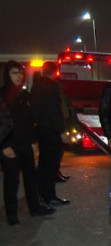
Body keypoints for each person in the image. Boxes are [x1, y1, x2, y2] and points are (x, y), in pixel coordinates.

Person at [0, 61, 55, 225]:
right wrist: (4, 146)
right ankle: (12, 214)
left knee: (31, 177)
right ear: (7, 75)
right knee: (11, 181)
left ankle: (35, 207)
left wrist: (33, 141)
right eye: (14, 73)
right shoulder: (2, 95)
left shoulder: (24, 95)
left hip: (25, 143)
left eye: (20, 73)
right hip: (9, 145)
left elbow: (29, 120)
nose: (19, 76)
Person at [32, 61, 70, 207]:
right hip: (52, 132)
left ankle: (41, 194)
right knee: (51, 165)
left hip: (42, 130)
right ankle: (49, 196)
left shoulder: (37, 86)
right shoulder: (51, 87)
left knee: (44, 163)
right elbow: (54, 112)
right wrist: (61, 131)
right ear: (55, 71)